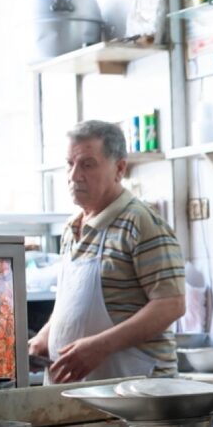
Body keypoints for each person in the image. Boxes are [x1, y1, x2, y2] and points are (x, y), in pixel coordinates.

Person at [28, 120, 185, 383]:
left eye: (87, 164)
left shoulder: (140, 222)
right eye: (70, 164)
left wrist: (101, 346)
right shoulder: (71, 228)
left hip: (137, 394)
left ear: (119, 168)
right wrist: (46, 335)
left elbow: (171, 304)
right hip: (80, 396)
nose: (74, 175)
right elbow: (71, 303)